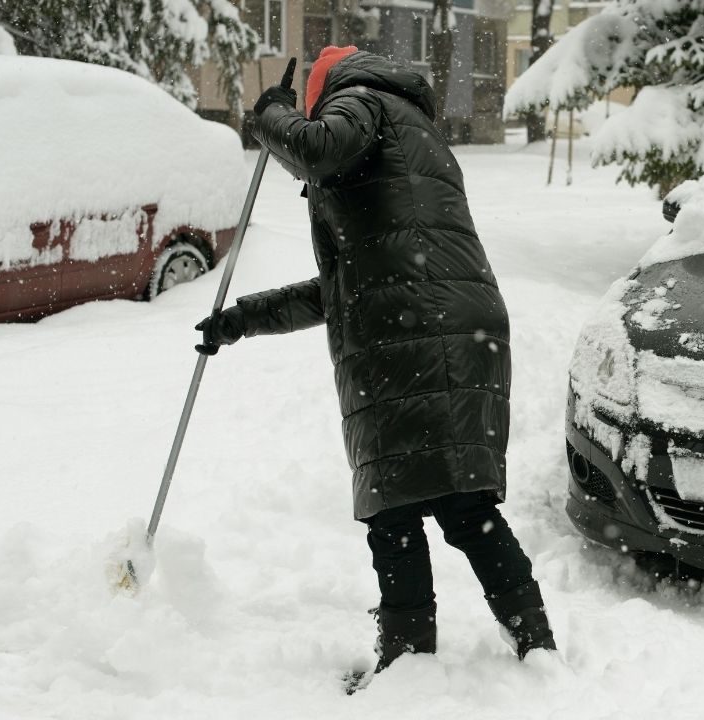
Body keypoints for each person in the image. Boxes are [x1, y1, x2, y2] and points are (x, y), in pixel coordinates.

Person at [195, 46, 556, 672]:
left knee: (397, 510)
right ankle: (534, 645)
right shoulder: (406, 127)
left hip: (413, 330)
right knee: (461, 505)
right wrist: (241, 320)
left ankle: (410, 662)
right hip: (443, 323)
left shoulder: (362, 102)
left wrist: (271, 117)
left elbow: (317, 147)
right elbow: (343, 290)